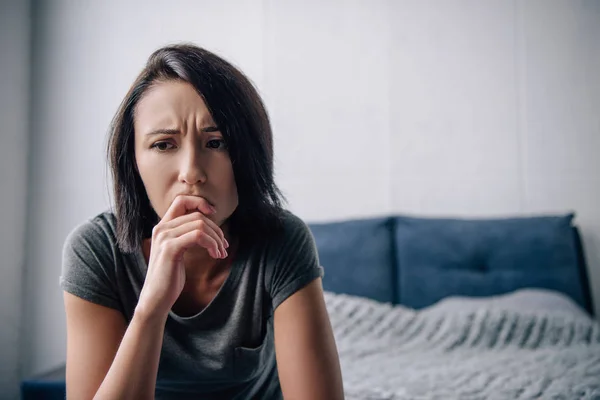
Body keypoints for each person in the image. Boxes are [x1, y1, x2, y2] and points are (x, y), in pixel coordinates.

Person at [60, 43, 345, 400]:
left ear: (248, 155)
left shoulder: (282, 239)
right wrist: (151, 308)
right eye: (164, 145)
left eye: (217, 142)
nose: (192, 172)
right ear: (132, 160)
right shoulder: (96, 250)